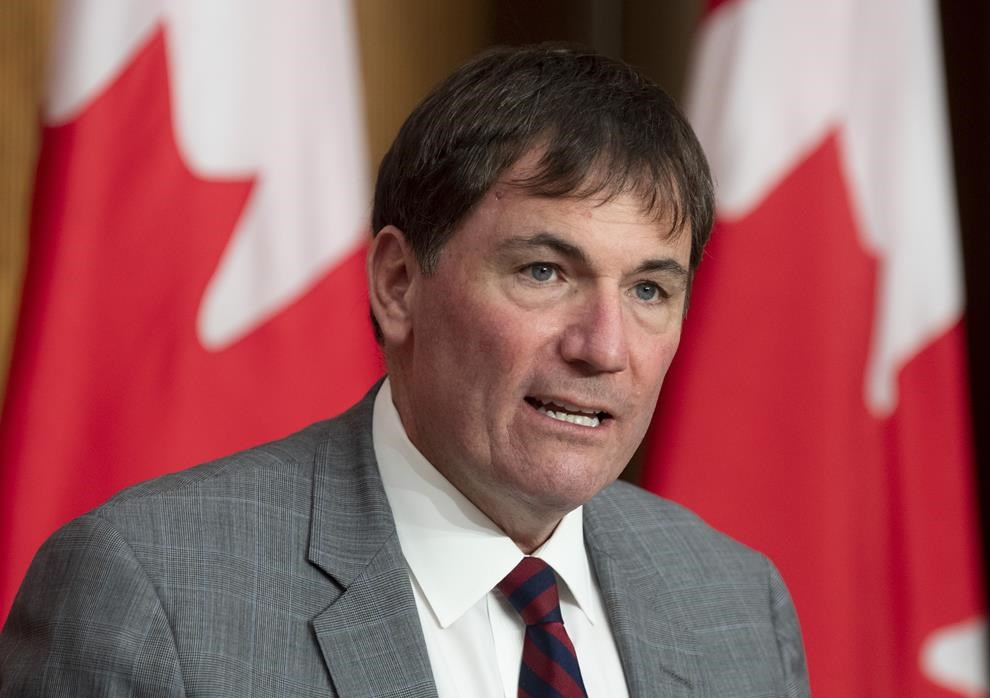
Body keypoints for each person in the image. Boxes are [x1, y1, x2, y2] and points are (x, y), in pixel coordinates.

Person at [0, 44, 809, 696]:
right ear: (397, 284)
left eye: (649, 290)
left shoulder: (737, 605)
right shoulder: (153, 594)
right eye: (544, 272)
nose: (604, 347)